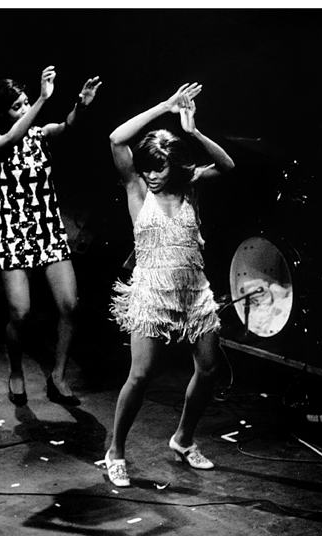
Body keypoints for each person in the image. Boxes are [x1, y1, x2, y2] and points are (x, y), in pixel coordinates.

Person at [103, 83, 235, 487]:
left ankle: (183, 438)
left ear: (174, 167)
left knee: (209, 370)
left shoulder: (191, 187)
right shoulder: (137, 189)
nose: (151, 176)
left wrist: (192, 131)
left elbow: (228, 166)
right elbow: (115, 138)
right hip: (151, 292)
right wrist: (164, 105)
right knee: (141, 376)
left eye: (158, 169)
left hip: (194, 291)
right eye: (146, 169)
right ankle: (115, 450)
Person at [0, 66, 102, 407]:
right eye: (17, 106)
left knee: (70, 306)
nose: (25, 109)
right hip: (13, 233)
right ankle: (15, 370)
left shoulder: (39, 134)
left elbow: (67, 127)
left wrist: (82, 104)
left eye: (26, 102)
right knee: (20, 314)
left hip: (47, 230)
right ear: (3, 112)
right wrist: (43, 100)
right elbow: (8, 141)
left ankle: (57, 375)